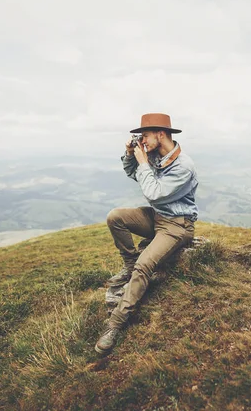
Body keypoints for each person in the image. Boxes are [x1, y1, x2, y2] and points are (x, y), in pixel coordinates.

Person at [95, 113, 199, 355]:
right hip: (157, 217)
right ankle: (129, 265)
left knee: (145, 265)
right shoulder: (155, 157)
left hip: (177, 225)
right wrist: (131, 156)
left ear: (160, 134)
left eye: (145, 135)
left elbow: (154, 193)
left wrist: (143, 163)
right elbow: (133, 174)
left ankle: (115, 325)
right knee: (115, 217)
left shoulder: (184, 166)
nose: (142, 140)